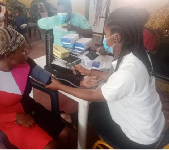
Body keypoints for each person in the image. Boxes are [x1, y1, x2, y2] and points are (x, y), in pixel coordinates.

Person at [46, 7, 166, 149]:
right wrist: (89, 71)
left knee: (94, 108)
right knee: (98, 105)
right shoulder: (139, 55)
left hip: (138, 140)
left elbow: (92, 95)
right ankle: (73, 119)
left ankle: (78, 133)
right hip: (153, 126)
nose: (104, 40)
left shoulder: (128, 71)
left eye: (105, 34)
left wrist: (59, 86)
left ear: (116, 37)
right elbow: (115, 77)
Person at [0, 27, 71, 149]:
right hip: (8, 120)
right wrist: (15, 116)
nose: (27, 52)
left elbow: (48, 78)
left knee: (65, 134)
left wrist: (79, 82)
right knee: (49, 147)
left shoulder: (25, 62)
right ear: (10, 56)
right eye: (23, 50)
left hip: (30, 108)